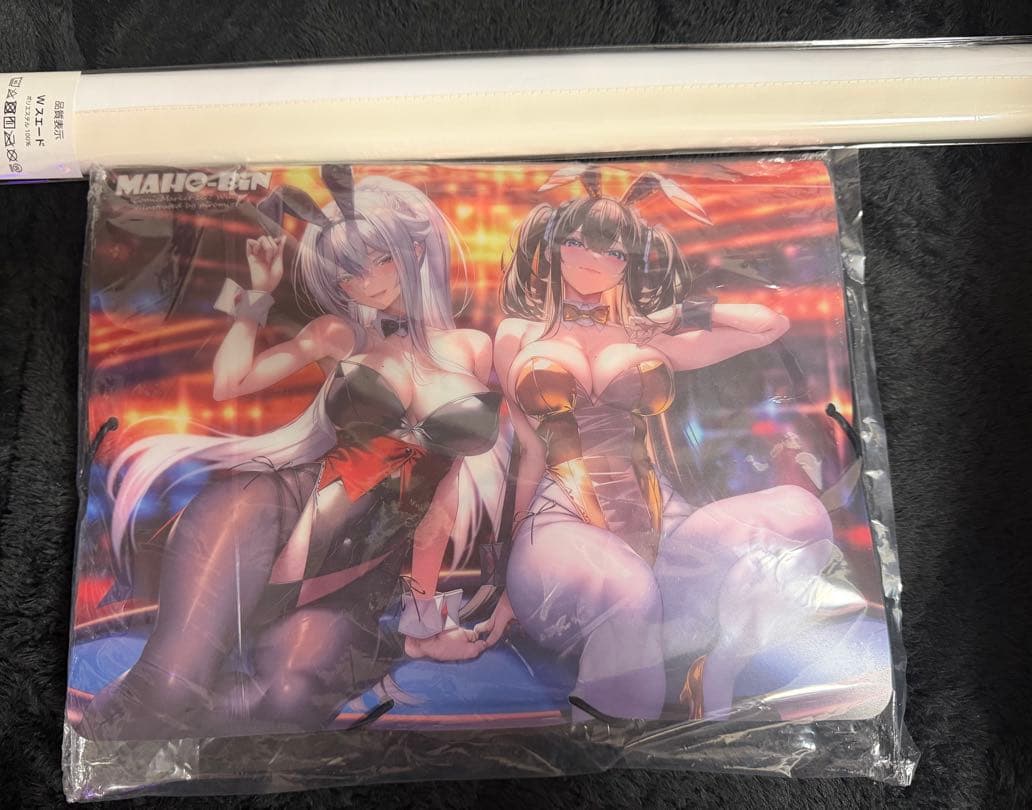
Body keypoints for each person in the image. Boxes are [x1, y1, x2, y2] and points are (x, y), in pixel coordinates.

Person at [79, 166, 509, 739]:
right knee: (170, 686)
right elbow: (230, 383)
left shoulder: (473, 348)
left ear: (414, 250)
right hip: (268, 514)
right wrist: (255, 294)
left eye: (378, 260)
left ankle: (137, 725)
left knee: (285, 703)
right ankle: (109, 725)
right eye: (347, 273)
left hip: (357, 572)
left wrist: (422, 619)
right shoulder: (340, 335)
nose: (365, 283)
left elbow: (440, 510)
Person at [483, 164, 855, 722]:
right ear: (554, 246)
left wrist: (680, 312)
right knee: (627, 592)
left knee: (800, 514)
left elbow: (770, 325)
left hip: (665, 523)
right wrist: (505, 578)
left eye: (612, 250)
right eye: (577, 242)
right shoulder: (517, 333)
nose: (591, 258)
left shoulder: (649, 336)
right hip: (561, 522)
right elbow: (528, 452)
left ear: (628, 261)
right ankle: (617, 737)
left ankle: (715, 667)